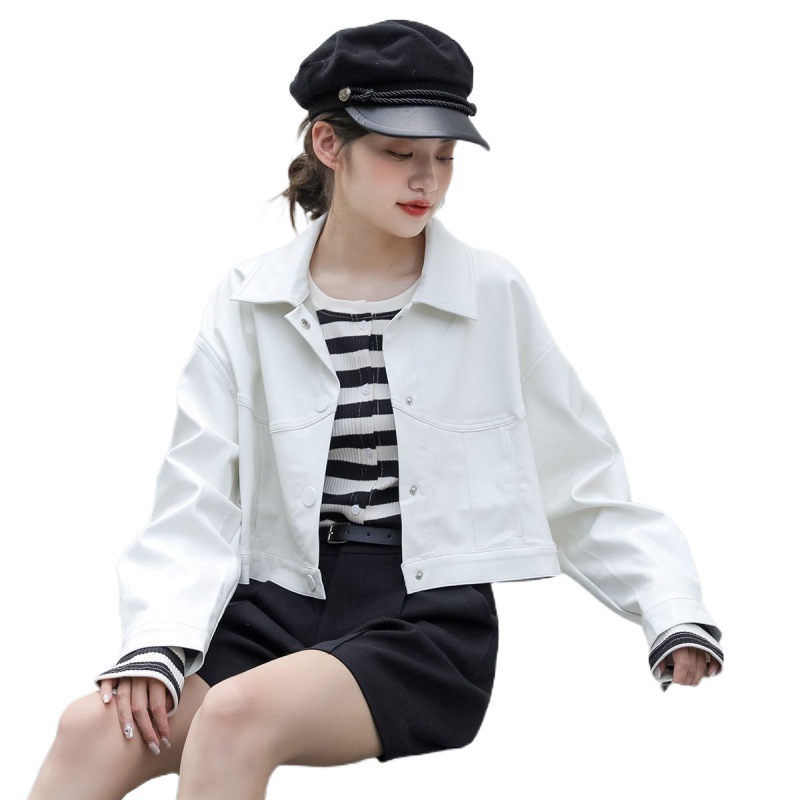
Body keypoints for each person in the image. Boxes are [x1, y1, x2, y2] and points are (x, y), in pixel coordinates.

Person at [27, 18, 723, 800]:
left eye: (444, 156)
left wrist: (669, 606)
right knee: (91, 730)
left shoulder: (490, 294)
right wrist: (158, 641)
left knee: (234, 715)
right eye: (399, 153)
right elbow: (196, 492)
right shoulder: (246, 299)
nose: (427, 180)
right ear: (330, 145)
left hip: (422, 615)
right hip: (277, 602)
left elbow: (578, 476)